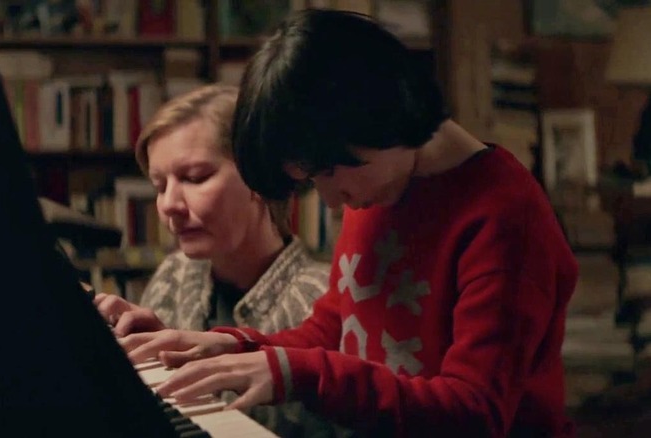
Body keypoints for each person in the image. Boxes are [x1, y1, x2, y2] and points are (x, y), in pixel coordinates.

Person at [119, 9, 579, 437]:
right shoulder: (380, 182)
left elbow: (475, 411)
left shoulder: (504, 217)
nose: (331, 200)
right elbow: (338, 327)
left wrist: (294, 373)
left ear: (379, 116)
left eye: (328, 172)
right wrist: (235, 347)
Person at [91, 84, 342, 437]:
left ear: (258, 176)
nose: (168, 205)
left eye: (195, 178)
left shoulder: (325, 298)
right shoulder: (176, 273)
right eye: (160, 185)